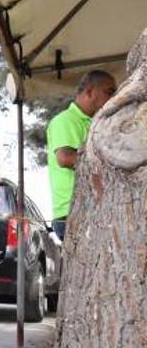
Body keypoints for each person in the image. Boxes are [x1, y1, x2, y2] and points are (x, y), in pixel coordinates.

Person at [46, 70, 116, 240]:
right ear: (90, 92)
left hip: (93, 208)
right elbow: (65, 158)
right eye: (110, 92)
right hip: (73, 213)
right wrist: (111, 163)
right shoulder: (65, 121)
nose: (114, 98)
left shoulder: (96, 123)